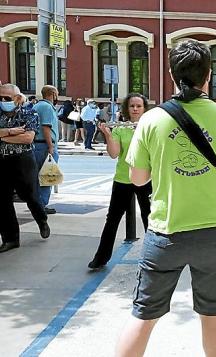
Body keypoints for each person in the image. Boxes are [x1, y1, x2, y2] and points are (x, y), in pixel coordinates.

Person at [116, 40, 216, 356]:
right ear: (209, 76)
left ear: (171, 74)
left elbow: (138, 178)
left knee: (144, 315)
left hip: (165, 233)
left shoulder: (152, 119)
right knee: (213, 312)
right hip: (213, 233)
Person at [87, 93, 152, 270]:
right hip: (123, 179)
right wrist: (107, 135)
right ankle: (101, 258)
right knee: (113, 218)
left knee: (151, 218)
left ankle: (154, 258)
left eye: (139, 106)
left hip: (147, 179)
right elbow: (114, 153)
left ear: (145, 108)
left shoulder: (151, 128)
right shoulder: (120, 128)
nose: (136, 109)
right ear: (127, 109)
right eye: (132, 106)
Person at [0, 83, 50, 253]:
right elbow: (20, 135)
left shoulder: (29, 112)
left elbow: (28, 138)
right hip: (1, 160)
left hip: (23, 160)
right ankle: (10, 239)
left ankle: (41, 220)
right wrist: (13, 131)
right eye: (0, 98)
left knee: (30, 195)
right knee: (2, 201)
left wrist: (3, 134)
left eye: (6, 98)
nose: (2, 101)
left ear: (17, 97)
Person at [32, 85, 61, 214]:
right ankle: (42, 204)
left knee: (37, 176)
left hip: (36, 145)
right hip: (45, 145)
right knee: (47, 176)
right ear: (53, 94)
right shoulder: (47, 107)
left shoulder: (36, 106)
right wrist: (51, 146)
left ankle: (37, 203)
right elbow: (46, 128)